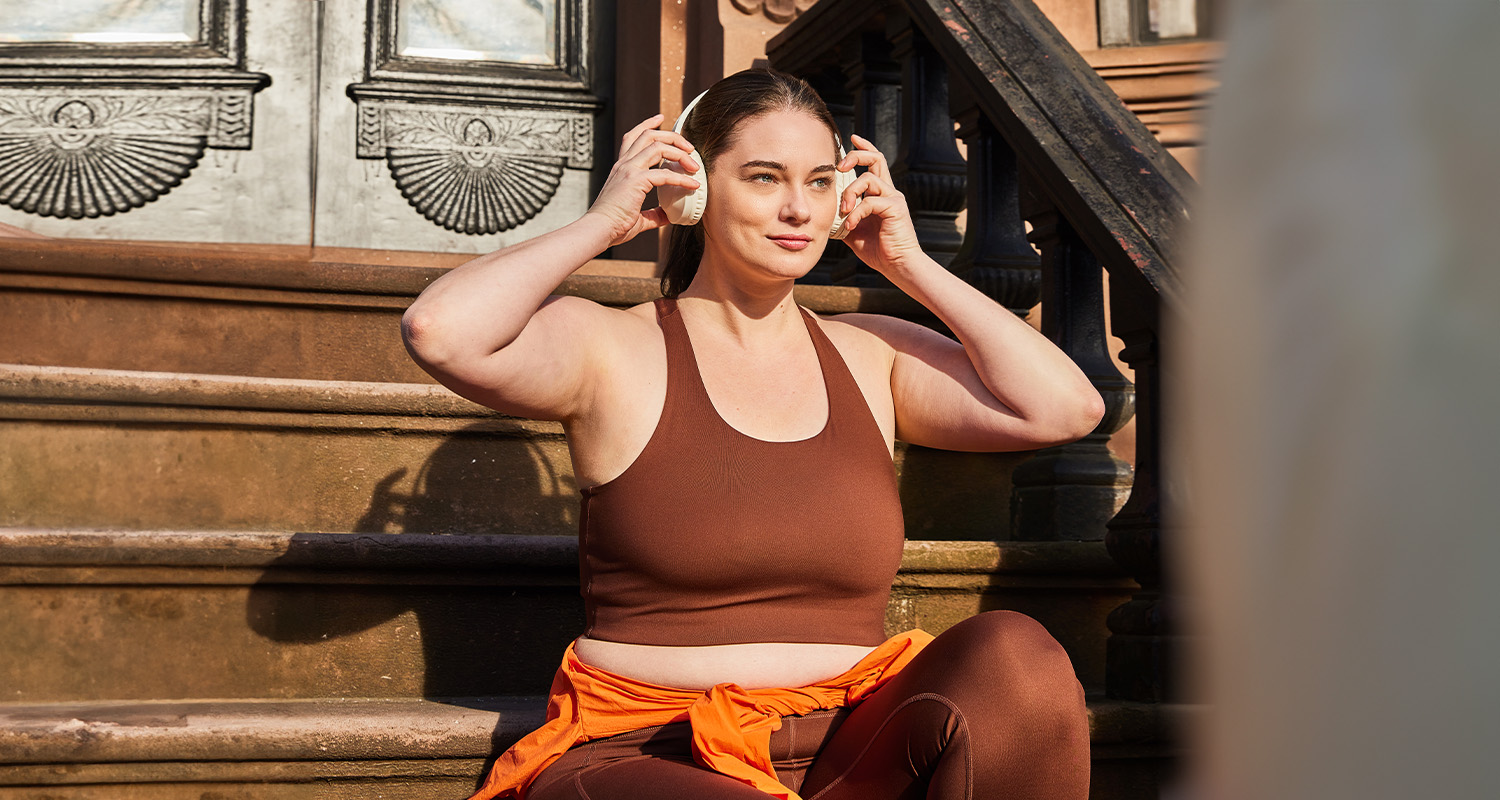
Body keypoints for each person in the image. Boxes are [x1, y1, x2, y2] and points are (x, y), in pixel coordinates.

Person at [401, 68, 1101, 800]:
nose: (798, 208)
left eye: (820, 181)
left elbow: (1063, 409)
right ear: (696, 187)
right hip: (650, 753)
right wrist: (606, 223)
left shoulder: (871, 353)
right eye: (765, 177)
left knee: (1017, 654)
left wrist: (909, 264)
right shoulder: (610, 346)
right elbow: (441, 332)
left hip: (852, 742)